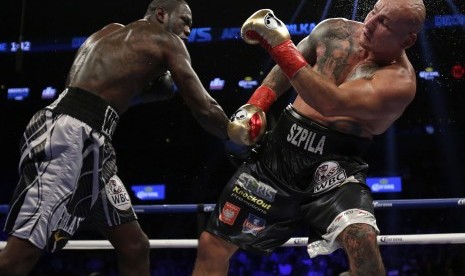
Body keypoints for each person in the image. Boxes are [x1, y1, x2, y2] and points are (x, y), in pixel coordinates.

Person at [193, 0, 426, 275]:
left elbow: (330, 102)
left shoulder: (398, 83)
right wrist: (258, 103)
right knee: (212, 245)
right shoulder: (335, 29)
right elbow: (294, 61)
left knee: (364, 247)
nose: (371, 22)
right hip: (278, 155)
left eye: (384, 22)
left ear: (408, 40)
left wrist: (278, 45)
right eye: (374, 11)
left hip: (335, 170)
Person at [0, 0, 231, 275]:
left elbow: (92, 94)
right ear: (161, 14)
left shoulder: (109, 33)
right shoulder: (166, 41)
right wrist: (233, 134)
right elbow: (204, 107)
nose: (189, 30)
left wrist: (150, 90)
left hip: (87, 140)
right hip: (72, 138)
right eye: (185, 21)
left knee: (135, 246)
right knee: (18, 258)